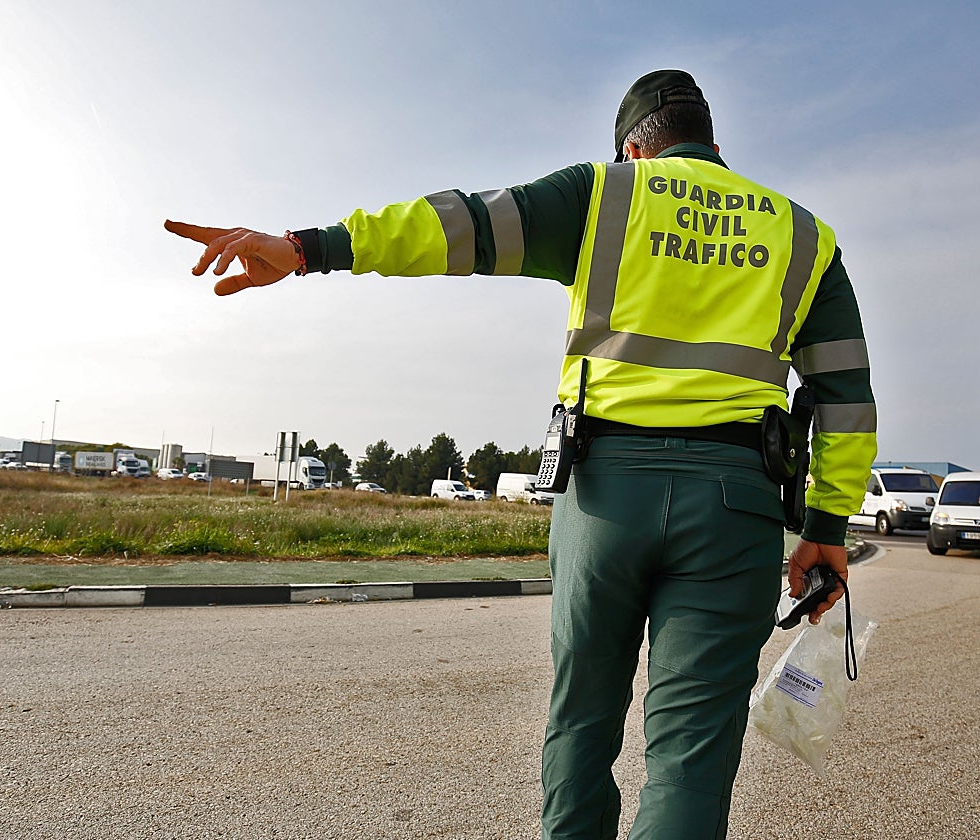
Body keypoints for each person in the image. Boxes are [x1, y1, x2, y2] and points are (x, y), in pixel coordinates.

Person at [165, 69, 876, 839]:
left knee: (581, 722)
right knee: (691, 760)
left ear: (634, 150)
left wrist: (308, 249)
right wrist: (826, 527)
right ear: (714, 147)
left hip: (605, 495)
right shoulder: (803, 235)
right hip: (735, 504)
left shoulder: (603, 195)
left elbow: (457, 225)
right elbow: (846, 398)